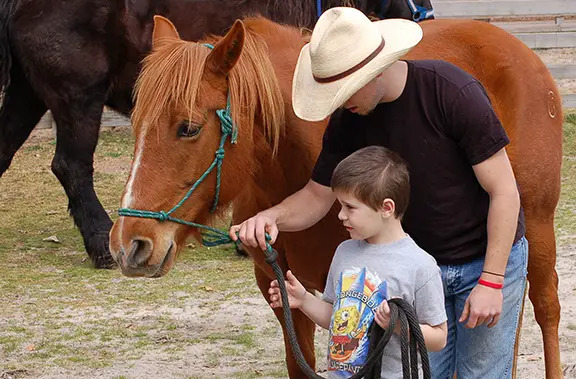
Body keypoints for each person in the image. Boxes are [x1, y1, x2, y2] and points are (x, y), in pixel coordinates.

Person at [231, 7, 528, 378]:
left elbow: (504, 191)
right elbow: (316, 196)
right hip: (416, 268)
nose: (340, 101)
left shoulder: (452, 92)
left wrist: (491, 280)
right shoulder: (349, 120)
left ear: (377, 68)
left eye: (346, 88)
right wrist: (271, 216)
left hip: (481, 259)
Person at [268, 146, 447, 378]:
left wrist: (400, 325)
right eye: (340, 206)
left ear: (386, 208)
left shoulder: (420, 266)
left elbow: (439, 338)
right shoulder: (345, 252)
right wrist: (303, 300)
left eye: (350, 207)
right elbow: (334, 317)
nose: (340, 215)